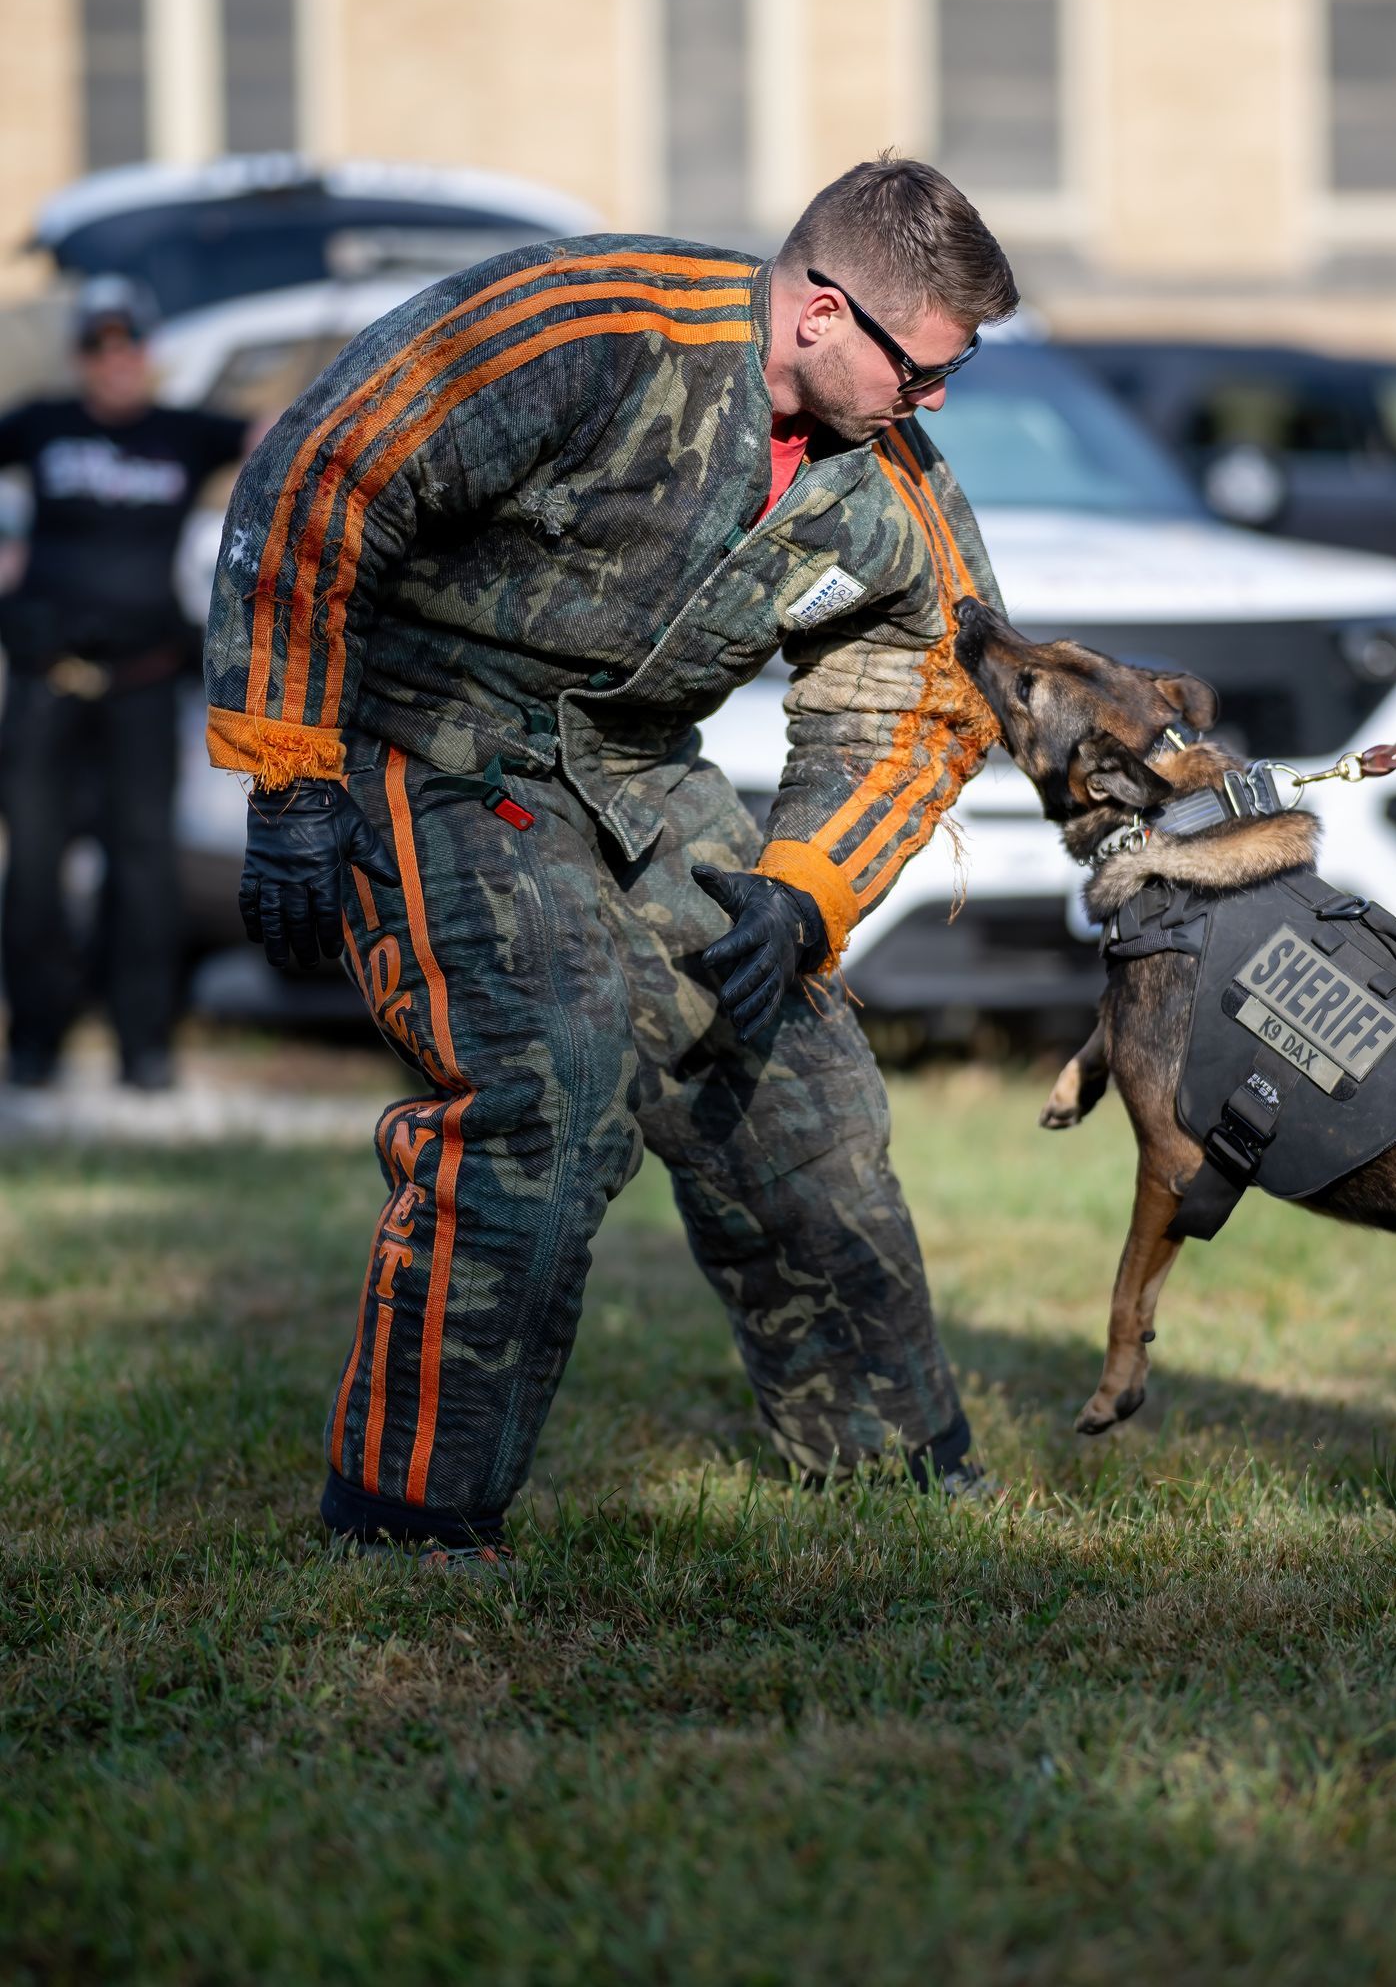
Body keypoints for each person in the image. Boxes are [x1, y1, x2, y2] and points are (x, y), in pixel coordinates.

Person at [203, 156, 1018, 1562]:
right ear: (824, 312)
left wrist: (803, 885)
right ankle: (408, 1517)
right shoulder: (594, 326)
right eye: (922, 371)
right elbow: (327, 467)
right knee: (550, 1076)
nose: (931, 406)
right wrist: (285, 769)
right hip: (427, 739)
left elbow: (928, 681)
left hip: (635, 768)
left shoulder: (887, 480)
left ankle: (893, 1465)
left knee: (796, 1081)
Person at [0, 276, 249, 1091]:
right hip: (46, 686)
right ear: (79, 355)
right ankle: (36, 1039)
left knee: (144, 868)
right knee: (34, 867)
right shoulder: (42, 424)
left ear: (147, 354)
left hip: (143, 686)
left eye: (126, 344)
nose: (113, 360)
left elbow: (278, 435)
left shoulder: (182, 432)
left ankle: (144, 1042)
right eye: (97, 345)